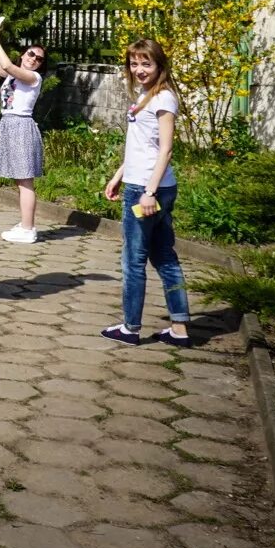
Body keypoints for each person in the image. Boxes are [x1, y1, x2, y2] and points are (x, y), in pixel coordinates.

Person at [101, 38, 192, 345]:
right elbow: (140, 146)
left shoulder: (163, 98)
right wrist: (117, 176)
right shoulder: (145, 94)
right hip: (142, 182)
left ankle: (130, 328)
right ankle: (179, 328)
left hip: (148, 189)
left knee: (133, 260)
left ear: (159, 65)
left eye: (146, 64)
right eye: (134, 63)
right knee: (164, 256)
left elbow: (166, 150)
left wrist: (148, 193)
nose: (139, 69)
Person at [0, 21, 48, 243]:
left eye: (39, 59)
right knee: (19, 180)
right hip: (10, 125)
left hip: (21, 126)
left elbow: (8, 65)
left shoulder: (33, 78)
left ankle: (28, 229)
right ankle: (24, 224)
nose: (33, 59)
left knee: (25, 181)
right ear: (23, 54)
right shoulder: (13, 76)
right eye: (31, 54)